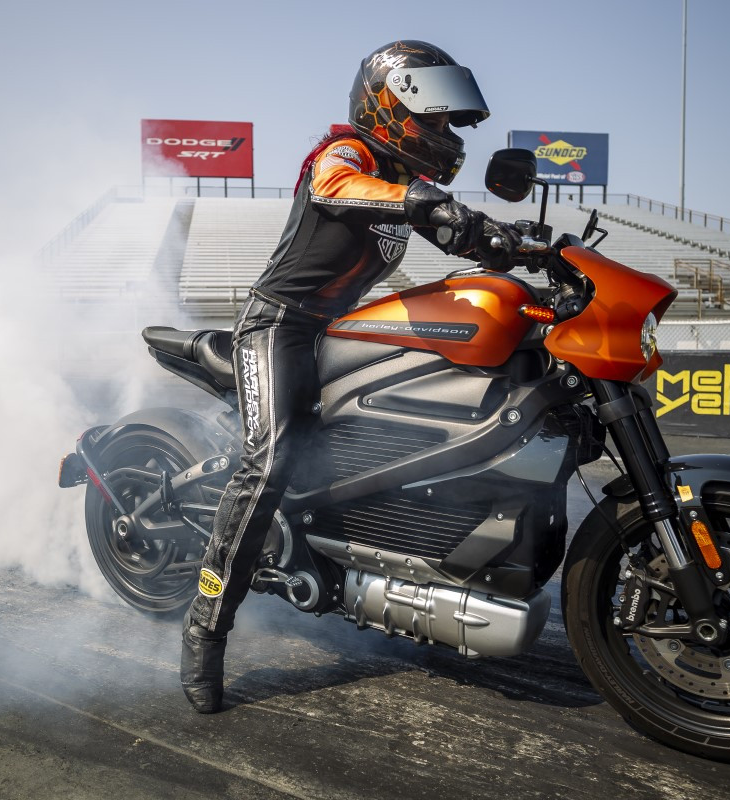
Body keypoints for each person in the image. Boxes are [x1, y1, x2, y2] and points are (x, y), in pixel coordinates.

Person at [181, 39, 536, 712]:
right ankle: (205, 627)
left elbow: (462, 236)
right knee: (271, 461)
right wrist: (427, 203)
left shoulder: (402, 183)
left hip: (339, 333)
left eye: (449, 124)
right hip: (279, 326)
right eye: (434, 119)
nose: (444, 133)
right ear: (392, 106)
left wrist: (514, 241)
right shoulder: (347, 155)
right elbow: (333, 186)